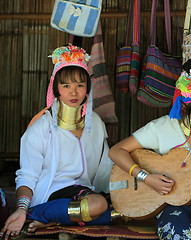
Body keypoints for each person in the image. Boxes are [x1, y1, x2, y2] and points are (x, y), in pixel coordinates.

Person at [109, 57, 191, 239]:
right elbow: (116, 151)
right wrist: (146, 177)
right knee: (177, 232)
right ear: (187, 107)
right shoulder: (162, 128)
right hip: (171, 196)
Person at [0, 45, 116, 240]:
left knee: (120, 211)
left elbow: (105, 167)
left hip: (85, 194)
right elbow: (27, 176)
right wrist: (21, 209)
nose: (74, 92)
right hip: (52, 195)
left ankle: (57, 219)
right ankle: (36, 214)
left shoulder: (94, 123)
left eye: (80, 85)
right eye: (66, 86)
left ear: (87, 87)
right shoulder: (40, 128)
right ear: (56, 88)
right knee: (99, 207)